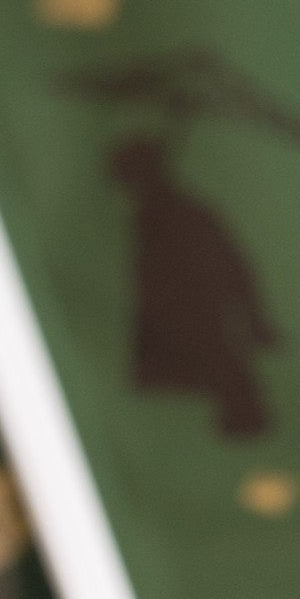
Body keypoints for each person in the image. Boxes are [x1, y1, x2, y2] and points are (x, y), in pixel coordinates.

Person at [109, 133, 281, 438]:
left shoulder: (185, 213)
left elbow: (233, 267)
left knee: (220, 373)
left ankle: (248, 431)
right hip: (174, 324)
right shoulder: (150, 217)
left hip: (197, 320)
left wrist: (255, 318)